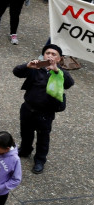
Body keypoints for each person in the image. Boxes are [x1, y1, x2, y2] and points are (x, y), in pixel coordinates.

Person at [14, 44, 75, 174]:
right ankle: (25, 150)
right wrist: (27, 65)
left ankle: (40, 160)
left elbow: (69, 83)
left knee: (43, 137)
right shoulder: (36, 67)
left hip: (45, 112)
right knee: (26, 132)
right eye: (48, 53)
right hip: (28, 108)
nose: (50, 56)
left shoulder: (60, 72)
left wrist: (57, 70)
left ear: (59, 59)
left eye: (54, 54)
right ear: (43, 55)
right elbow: (16, 72)